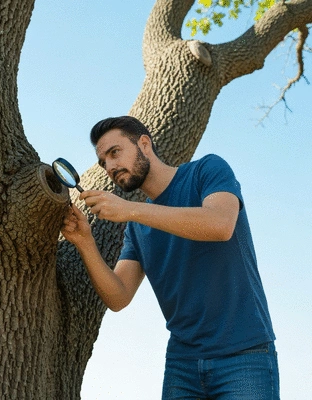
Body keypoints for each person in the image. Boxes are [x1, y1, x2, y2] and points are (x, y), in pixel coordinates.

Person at [61, 116, 280, 399]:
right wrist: (85, 243)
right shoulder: (137, 228)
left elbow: (220, 224)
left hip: (244, 354)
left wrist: (131, 210)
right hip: (182, 365)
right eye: (104, 162)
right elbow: (118, 297)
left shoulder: (207, 170)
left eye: (115, 152)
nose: (110, 167)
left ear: (144, 143)